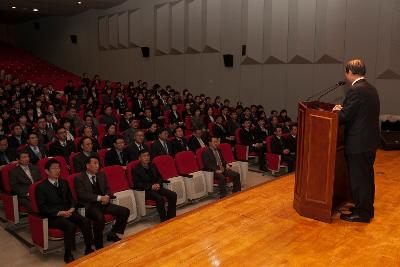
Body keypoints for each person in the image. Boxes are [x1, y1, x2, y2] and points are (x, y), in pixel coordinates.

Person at [332, 59, 380, 223]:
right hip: (369, 142)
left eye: (346, 73)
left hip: (358, 144)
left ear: (350, 72)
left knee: (359, 179)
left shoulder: (355, 91)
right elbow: (360, 114)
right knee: (366, 177)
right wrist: (344, 109)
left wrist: (337, 111)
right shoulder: (371, 89)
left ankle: (362, 213)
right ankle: (366, 208)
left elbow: (345, 117)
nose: (345, 76)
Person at [36, 159, 94, 263]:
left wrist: (72, 208)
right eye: (53, 168)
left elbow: (71, 198)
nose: (57, 170)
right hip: (54, 216)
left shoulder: (64, 182)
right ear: (46, 171)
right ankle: (68, 253)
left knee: (85, 221)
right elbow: (42, 207)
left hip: (68, 211)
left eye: (58, 168)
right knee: (69, 226)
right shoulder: (41, 187)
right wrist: (59, 213)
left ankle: (88, 247)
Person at [74, 156, 130, 249]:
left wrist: (107, 196)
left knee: (125, 211)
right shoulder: (79, 178)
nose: (97, 166)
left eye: (98, 163)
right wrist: (100, 198)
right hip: (90, 206)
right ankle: (98, 244)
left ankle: (112, 233)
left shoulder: (101, 175)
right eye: (95, 163)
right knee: (100, 218)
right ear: (87, 165)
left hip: (104, 203)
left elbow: (107, 189)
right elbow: (82, 195)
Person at [132, 150, 177, 222]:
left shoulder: (153, 165)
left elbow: (160, 177)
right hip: (146, 191)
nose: (147, 158)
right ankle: (164, 220)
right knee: (160, 198)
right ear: (139, 158)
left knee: (173, 195)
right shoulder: (136, 169)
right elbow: (137, 184)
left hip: (157, 187)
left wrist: (158, 184)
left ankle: (171, 217)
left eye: (148, 155)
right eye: (144, 156)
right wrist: (151, 186)